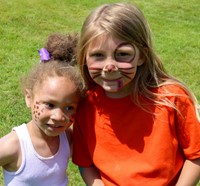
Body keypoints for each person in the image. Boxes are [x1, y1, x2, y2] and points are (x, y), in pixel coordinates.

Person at [72, 2, 200, 186]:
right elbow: (85, 164)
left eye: (122, 54)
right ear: (84, 57)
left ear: (142, 56)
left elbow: (196, 155)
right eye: (98, 55)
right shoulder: (85, 105)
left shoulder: (172, 99)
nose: (109, 66)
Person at [0, 33, 84, 186]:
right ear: (29, 98)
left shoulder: (68, 139)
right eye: (50, 105)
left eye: (69, 107)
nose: (59, 116)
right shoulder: (14, 145)